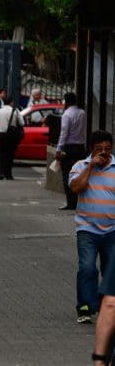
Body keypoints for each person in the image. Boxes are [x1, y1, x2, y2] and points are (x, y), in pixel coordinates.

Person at [68, 130, 115, 327]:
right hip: (87, 228)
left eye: (107, 149)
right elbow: (75, 188)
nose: (103, 153)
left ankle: (106, 305)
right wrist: (91, 167)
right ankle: (85, 306)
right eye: (99, 150)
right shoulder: (80, 166)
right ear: (91, 149)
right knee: (87, 268)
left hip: (112, 229)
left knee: (110, 270)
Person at [56, 92, 87, 210]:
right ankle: (80, 201)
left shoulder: (67, 115)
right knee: (79, 174)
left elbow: (64, 133)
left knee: (68, 175)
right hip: (80, 148)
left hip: (69, 149)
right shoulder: (82, 113)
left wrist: (59, 149)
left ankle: (71, 202)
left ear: (66, 101)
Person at [0, 95, 24, 180]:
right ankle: (8, 174)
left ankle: (0, 173)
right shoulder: (15, 111)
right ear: (11, 102)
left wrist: (1, 127)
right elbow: (22, 123)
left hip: (2, 134)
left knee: (1, 154)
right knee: (10, 155)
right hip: (12, 135)